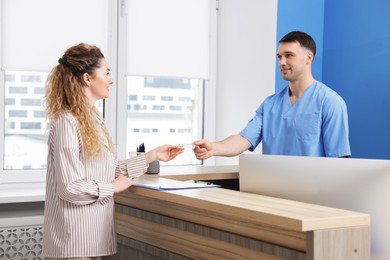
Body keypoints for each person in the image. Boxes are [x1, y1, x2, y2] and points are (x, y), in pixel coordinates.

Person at [42, 43, 183, 259]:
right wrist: (112, 187)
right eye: (106, 73)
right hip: (73, 243)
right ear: (88, 79)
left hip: (90, 240)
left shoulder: (92, 119)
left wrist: (151, 156)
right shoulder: (66, 122)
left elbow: (108, 169)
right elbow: (70, 188)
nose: (111, 80)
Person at [193, 31, 351, 160]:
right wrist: (213, 148)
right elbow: (244, 140)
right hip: (273, 190)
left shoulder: (330, 102)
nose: (282, 62)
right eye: (279, 57)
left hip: (312, 194)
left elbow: (338, 160)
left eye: (289, 55)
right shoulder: (270, 105)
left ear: (308, 57)